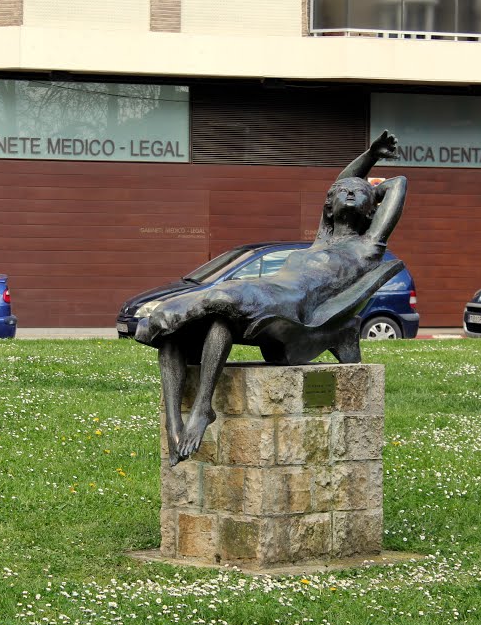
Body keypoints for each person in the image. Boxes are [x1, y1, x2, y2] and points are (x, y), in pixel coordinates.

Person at [135, 131, 407, 465]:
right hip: (268, 291)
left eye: (358, 193)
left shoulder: (368, 246)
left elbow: (399, 184)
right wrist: (370, 155)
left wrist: (373, 189)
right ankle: (178, 420)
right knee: (188, 329)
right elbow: (339, 184)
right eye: (343, 192)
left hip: (293, 303)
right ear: (328, 206)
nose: (350, 193)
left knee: (222, 296)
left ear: (370, 210)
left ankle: (185, 351)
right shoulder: (322, 241)